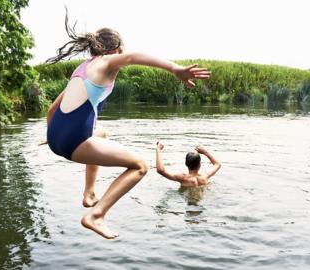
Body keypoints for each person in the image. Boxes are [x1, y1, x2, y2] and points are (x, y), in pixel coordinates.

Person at [44, 14, 211, 239]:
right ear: (115, 50)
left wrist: (53, 135)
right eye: (121, 52)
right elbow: (132, 57)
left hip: (55, 137)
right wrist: (174, 69)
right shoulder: (107, 62)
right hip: (72, 142)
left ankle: (89, 193)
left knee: (101, 132)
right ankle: (96, 215)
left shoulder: (82, 70)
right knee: (140, 166)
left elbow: (52, 110)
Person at [155, 142, 221, 187]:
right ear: (200, 164)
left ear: (186, 163)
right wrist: (205, 152)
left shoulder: (182, 178)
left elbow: (160, 170)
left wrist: (158, 150)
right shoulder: (205, 176)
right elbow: (217, 164)